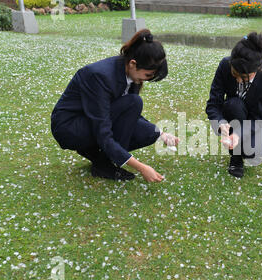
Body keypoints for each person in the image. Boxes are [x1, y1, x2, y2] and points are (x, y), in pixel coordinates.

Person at [51, 29, 178, 182]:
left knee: (149, 132)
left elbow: (127, 114)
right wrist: (140, 167)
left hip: (92, 120)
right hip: (70, 127)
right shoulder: (99, 76)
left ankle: (99, 156)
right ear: (133, 64)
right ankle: (103, 165)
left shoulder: (131, 76)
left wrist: (160, 134)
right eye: (147, 75)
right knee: (135, 102)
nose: (146, 80)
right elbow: (102, 128)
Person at [206, 32, 262, 178]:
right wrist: (221, 123)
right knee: (233, 104)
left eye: (245, 77)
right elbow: (213, 104)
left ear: (258, 68)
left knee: (250, 151)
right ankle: (235, 158)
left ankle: (243, 150)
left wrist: (237, 134)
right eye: (235, 74)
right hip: (236, 110)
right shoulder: (224, 65)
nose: (240, 81)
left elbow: (258, 118)